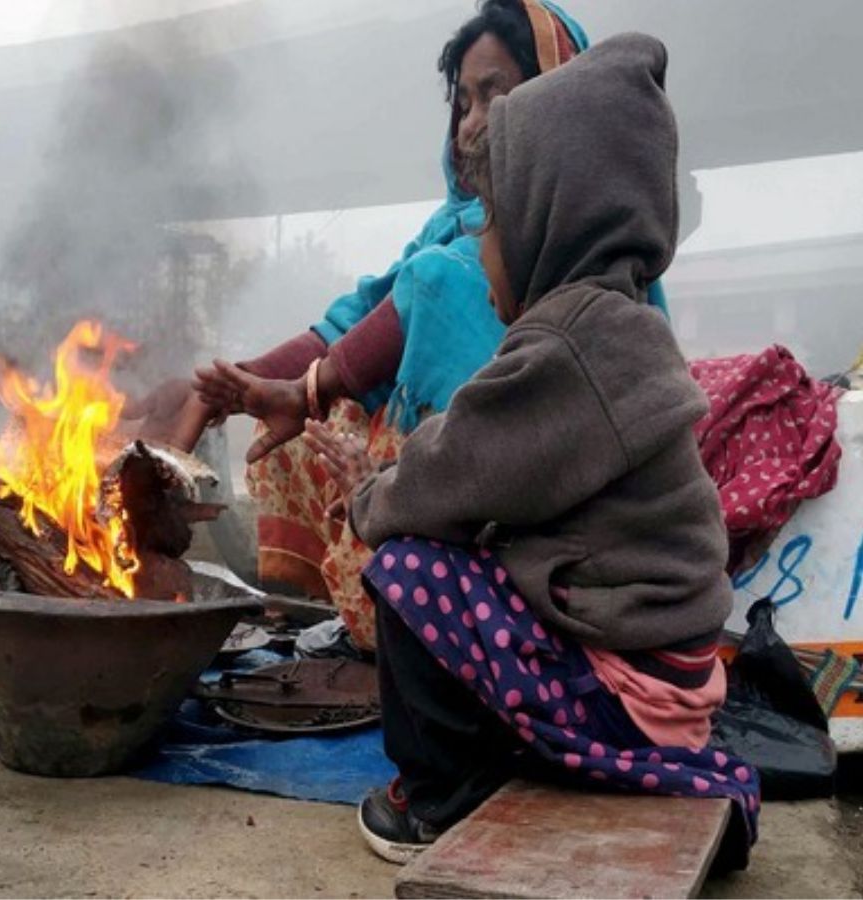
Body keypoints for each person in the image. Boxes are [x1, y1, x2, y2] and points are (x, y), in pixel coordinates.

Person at [303, 33, 760, 867]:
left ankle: (441, 798)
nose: (480, 255)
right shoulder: (619, 325)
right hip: (669, 673)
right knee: (456, 552)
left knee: (410, 569)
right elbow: (480, 446)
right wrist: (392, 475)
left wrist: (373, 501)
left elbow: (458, 471)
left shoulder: (570, 341)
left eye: (494, 226)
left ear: (554, 219)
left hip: (631, 688)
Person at [133, 0, 666, 652]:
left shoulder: (578, 259)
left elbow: (421, 294)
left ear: (556, 100)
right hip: (461, 477)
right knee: (307, 435)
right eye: (462, 104)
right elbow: (355, 322)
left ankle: (430, 618)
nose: (471, 124)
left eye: (493, 97)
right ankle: (385, 608)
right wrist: (220, 391)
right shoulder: (455, 223)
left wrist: (328, 422)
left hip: (530, 515)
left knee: (371, 387)